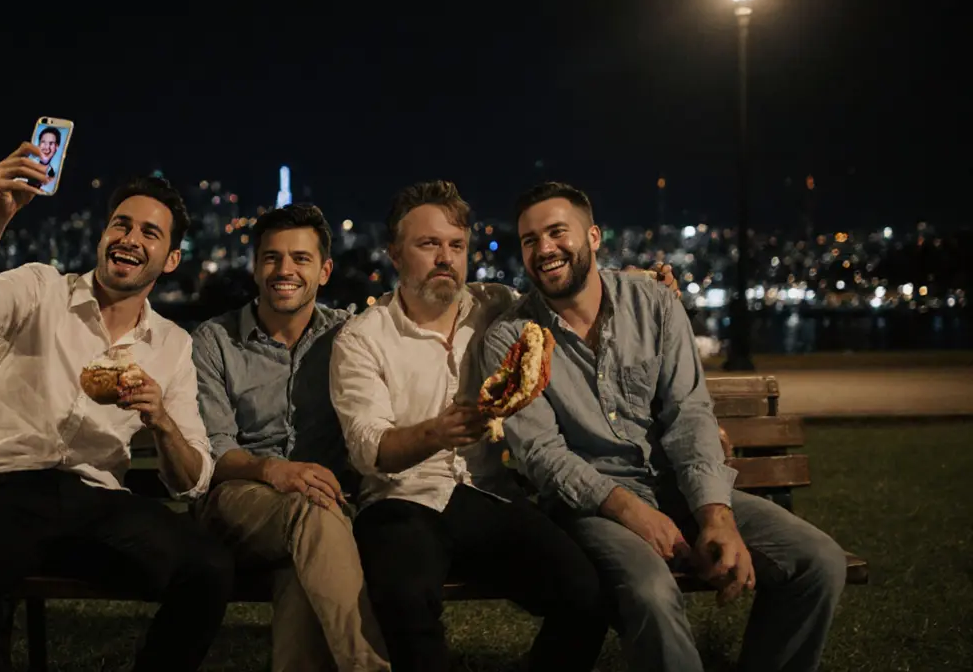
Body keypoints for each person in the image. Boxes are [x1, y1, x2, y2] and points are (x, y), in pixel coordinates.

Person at [0, 144, 232, 672]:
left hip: (96, 505)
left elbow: (192, 482)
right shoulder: (40, 288)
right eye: (122, 224)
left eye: (150, 233)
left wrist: (161, 421)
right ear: (103, 235)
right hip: (2, 492)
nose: (130, 239)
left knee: (208, 569)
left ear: (171, 259)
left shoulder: (171, 345)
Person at [482, 181, 848, 672]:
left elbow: (689, 413)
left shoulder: (654, 303)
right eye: (530, 240)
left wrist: (715, 513)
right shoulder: (511, 337)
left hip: (678, 487)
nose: (544, 249)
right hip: (594, 508)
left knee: (818, 561)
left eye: (556, 232)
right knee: (652, 592)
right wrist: (631, 510)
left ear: (592, 237)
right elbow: (543, 454)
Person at [328, 181, 608, 672]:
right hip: (402, 500)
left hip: (487, 493)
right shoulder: (362, 339)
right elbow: (368, 449)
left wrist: (646, 278)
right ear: (395, 254)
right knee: (402, 599)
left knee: (585, 591)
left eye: (456, 246)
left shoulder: (496, 305)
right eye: (428, 244)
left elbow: (572, 290)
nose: (445, 258)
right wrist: (437, 433)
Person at [192, 204, 390, 672]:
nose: (285, 270)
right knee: (312, 510)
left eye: (300, 259)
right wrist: (273, 471)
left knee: (303, 568)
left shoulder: (348, 336)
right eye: (272, 258)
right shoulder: (215, 341)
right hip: (238, 505)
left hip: (320, 517)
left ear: (323, 271)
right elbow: (215, 453)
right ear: (255, 266)